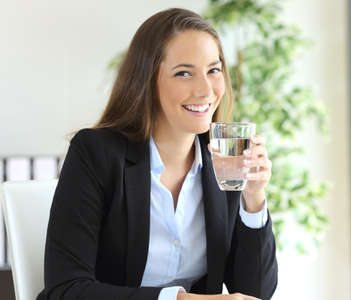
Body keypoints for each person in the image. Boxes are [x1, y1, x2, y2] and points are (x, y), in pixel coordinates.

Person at [37, 8, 277, 300]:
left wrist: (253, 198)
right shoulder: (96, 153)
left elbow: (256, 292)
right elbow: (65, 290)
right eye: (184, 73)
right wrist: (180, 299)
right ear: (148, 81)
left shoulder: (223, 163)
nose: (205, 90)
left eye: (213, 70)